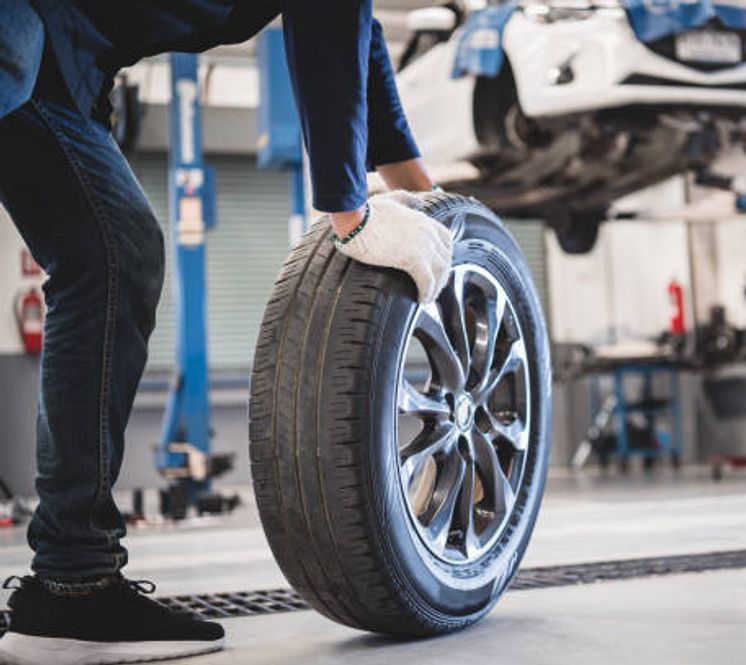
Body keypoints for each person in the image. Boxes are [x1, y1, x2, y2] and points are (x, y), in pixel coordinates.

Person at [0, 1, 453, 663]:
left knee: (112, 253)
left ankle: (72, 585)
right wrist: (350, 213)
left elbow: (355, 35)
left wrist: (430, 203)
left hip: (57, 62)